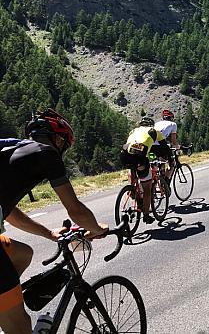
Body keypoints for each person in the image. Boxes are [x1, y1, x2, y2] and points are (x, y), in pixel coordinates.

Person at [0, 109, 108, 334]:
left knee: (22, 254)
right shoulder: (46, 153)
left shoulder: (14, 153)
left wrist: (49, 233)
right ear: (58, 139)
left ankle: (5, 305)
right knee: (20, 327)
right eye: (64, 146)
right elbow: (76, 210)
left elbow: (9, 213)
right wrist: (97, 229)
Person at [120, 117, 172, 224]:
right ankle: (146, 215)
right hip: (139, 156)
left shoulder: (134, 130)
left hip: (124, 154)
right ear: (151, 125)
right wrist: (169, 159)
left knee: (132, 168)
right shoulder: (154, 131)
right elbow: (164, 148)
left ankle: (133, 190)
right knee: (147, 187)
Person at [154, 109, 180, 182]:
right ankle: (166, 182)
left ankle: (158, 176)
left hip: (150, 144)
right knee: (172, 163)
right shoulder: (173, 124)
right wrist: (178, 148)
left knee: (159, 161)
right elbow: (173, 141)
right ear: (171, 118)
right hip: (160, 144)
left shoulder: (157, 123)